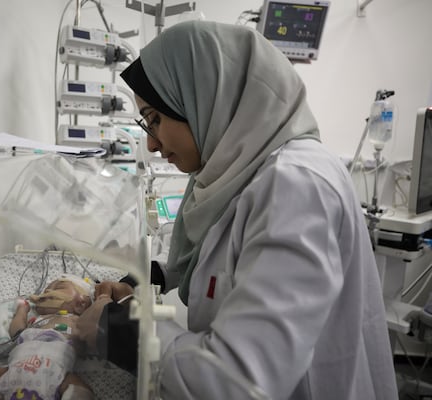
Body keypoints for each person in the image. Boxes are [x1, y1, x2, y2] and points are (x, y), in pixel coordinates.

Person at [72, 20, 399, 399]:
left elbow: (241, 379)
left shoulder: (297, 185)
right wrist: (147, 276)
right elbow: (213, 249)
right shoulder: (235, 170)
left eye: (156, 119)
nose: (151, 144)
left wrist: (119, 330)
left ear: (205, 97)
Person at [0, 274, 95, 400]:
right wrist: (22, 310)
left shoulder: (76, 320)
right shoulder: (36, 320)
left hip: (57, 372)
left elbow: (92, 334)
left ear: (81, 303)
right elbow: (17, 333)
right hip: (17, 366)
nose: (47, 292)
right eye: (46, 290)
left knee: (82, 390)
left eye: (58, 288)